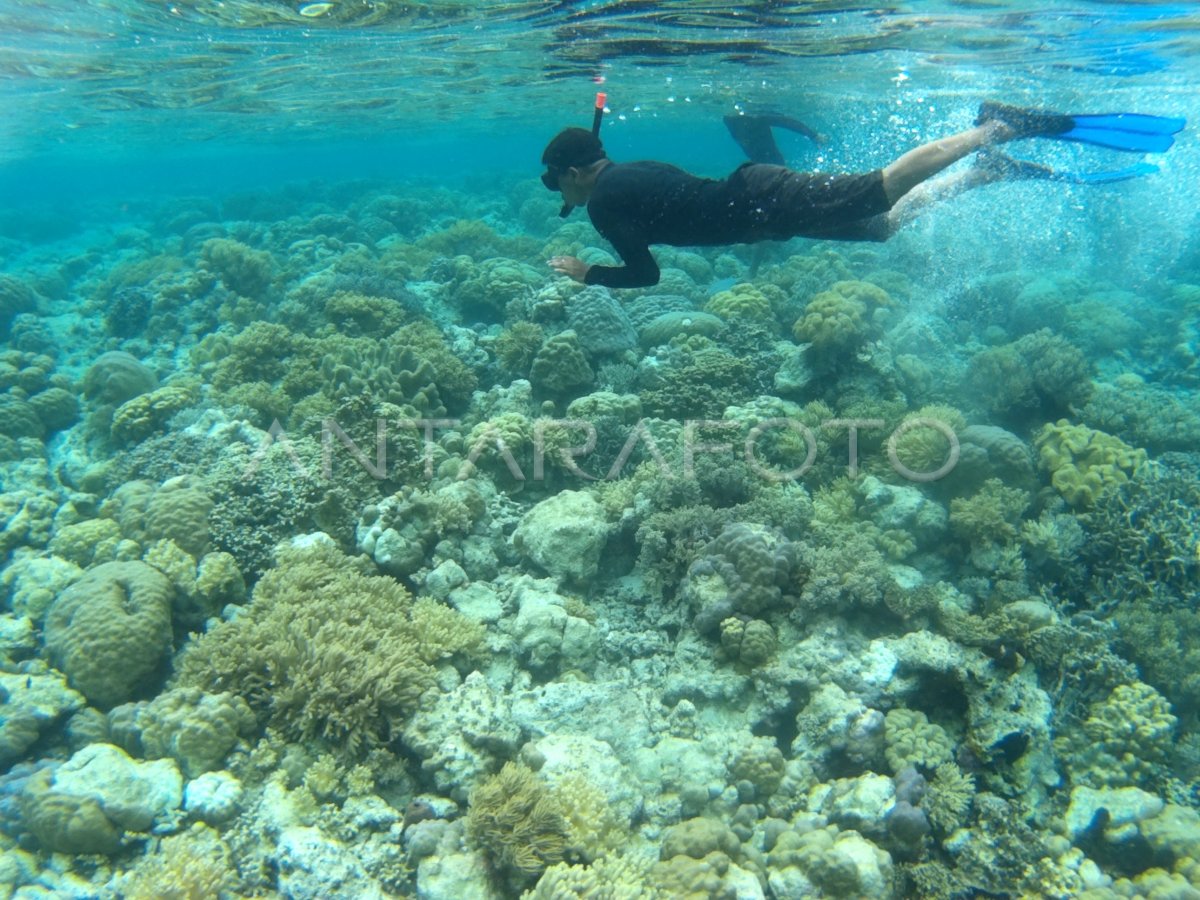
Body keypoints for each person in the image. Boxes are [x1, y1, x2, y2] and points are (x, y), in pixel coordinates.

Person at [542, 102, 1183, 289]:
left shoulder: (603, 202)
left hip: (764, 204)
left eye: (557, 181)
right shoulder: (630, 169)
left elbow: (646, 275)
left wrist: (586, 273)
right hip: (762, 208)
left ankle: (995, 127)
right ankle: (988, 171)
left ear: (573, 173)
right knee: (882, 226)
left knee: (883, 186)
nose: (562, 192)